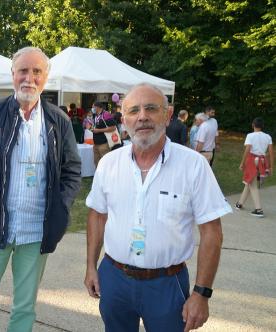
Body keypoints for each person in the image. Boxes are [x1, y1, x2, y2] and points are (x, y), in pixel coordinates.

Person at [84, 83, 231, 332]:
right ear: (124, 119)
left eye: (151, 108)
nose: (142, 116)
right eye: (134, 110)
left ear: (168, 114)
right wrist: (90, 266)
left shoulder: (193, 165)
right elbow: (97, 215)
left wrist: (201, 294)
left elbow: (212, 232)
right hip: (114, 277)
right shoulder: (109, 163)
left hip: (166, 283)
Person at [0, 46, 81, 331]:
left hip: (36, 231)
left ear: (45, 77)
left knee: (24, 309)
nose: (29, 77)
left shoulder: (57, 119)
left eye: (37, 71)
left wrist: (61, 206)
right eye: (23, 70)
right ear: (12, 75)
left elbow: (72, 170)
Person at [235, 117, 273, 217]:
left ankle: (258, 209)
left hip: (252, 159)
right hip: (262, 160)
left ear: (253, 125)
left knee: (252, 185)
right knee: (249, 182)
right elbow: (271, 153)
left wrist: (242, 162)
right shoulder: (268, 137)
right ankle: (240, 203)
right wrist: (271, 167)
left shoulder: (250, 135)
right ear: (262, 126)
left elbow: (247, 149)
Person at [92, 101, 118, 167]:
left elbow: (113, 127)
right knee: (97, 163)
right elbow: (97, 126)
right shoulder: (95, 115)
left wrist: (99, 130)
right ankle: (98, 176)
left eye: (93, 107)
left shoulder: (106, 114)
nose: (92, 108)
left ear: (97, 107)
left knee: (105, 163)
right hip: (96, 143)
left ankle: (107, 177)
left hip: (104, 143)